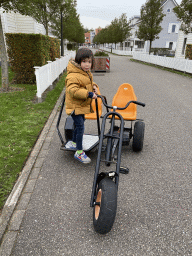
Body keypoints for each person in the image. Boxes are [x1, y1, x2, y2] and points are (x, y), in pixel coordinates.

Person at [65, 48, 98, 164]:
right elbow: (73, 90)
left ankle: (74, 142)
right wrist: (89, 94)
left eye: (89, 61)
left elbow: (86, 83)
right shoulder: (73, 75)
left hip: (80, 106)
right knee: (80, 127)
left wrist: (93, 86)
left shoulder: (85, 73)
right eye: (84, 61)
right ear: (78, 61)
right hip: (75, 106)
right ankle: (79, 152)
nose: (87, 64)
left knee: (80, 122)